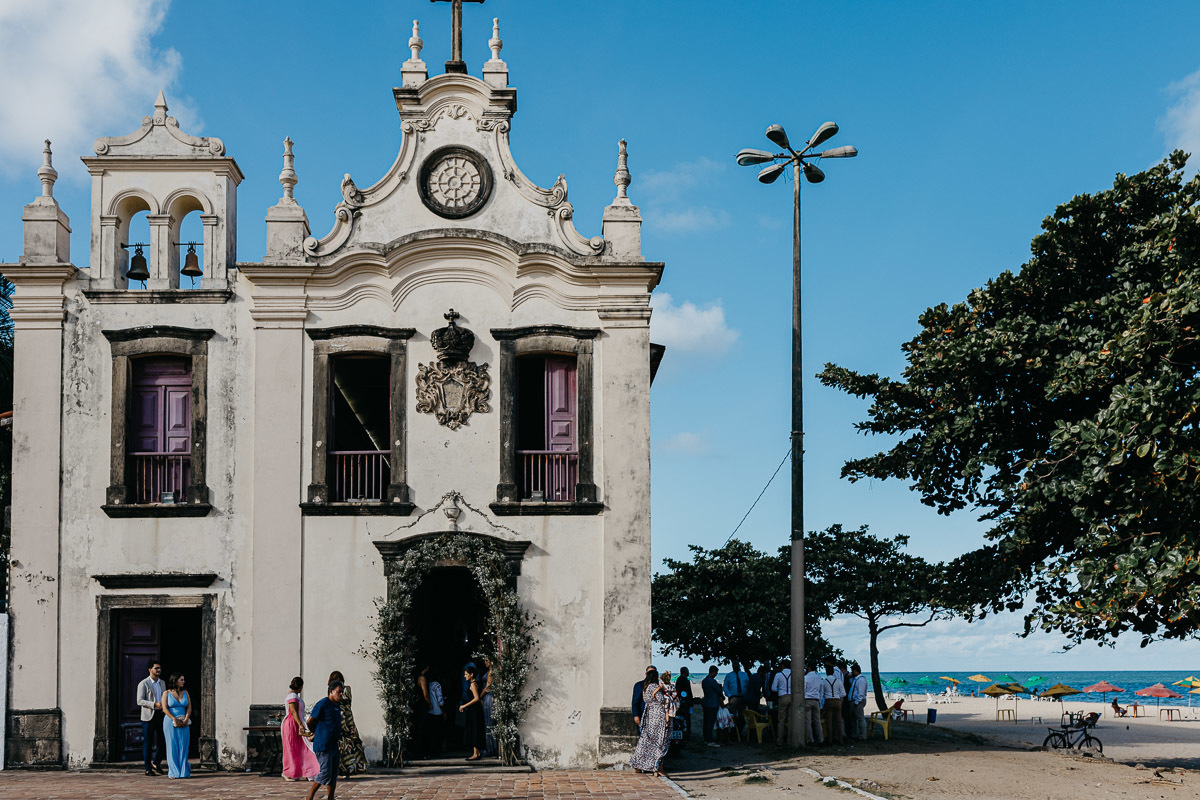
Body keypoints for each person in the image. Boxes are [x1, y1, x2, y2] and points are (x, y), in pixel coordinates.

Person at [306, 681, 344, 800]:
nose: (341, 694)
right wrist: (315, 732)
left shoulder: (337, 706)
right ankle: (310, 796)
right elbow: (310, 721)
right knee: (325, 772)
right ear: (331, 691)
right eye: (339, 691)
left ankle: (330, 797)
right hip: (323, 744)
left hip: (333, 745)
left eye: (342, 692)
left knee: (333, 774)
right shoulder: (323, 704)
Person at [629, 668, 671, 776]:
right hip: (658, 717)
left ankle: (640, 764)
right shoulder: (653, 687)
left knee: (646, 742)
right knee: (660, 742)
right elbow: (661, 700)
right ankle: (656, 766)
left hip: (649, 716)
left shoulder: (645, 687)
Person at [327, 671, 366, 777]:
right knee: (344, 745)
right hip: (344, 718)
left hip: (343, 718)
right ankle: (344, 769)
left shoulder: (340, 690)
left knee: (349, 744)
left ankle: (348, 769)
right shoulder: (342, 689)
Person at [283, 676, 319, 780]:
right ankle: (290, 772)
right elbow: (293, 711)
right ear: (301, 686)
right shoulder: (292, 696)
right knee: (294, 748)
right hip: (293, 724)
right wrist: (300, 725)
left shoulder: (293, 696)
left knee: (301, 748)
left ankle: (304, 771)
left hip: (296, 723)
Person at [136, 659, 167, 776]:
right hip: (148, 716)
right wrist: (154, 704)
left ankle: (156, 762)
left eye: (159, 668)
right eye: (156, 668)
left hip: (160, 715)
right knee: (148, 743)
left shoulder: (162, 683)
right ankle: (148, 768)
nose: (159, 670)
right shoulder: (143, 683)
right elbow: (139, 701)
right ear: (150, 670)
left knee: (163, 740)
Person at [160, 672, 191, 778]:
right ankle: (173, 772)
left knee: (184, 745)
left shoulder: (185, 692)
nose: (183, 681)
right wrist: (174, 719)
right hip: (170, 721)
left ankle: (183, 771)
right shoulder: (166, 693)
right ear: (175, 680)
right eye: (181, 680)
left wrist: (186, 718)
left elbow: (189, 707)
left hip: (184, 721)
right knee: (172, 745)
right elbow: (164, 708)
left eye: (183, 679)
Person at [417, 665, 445, 757]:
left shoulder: (423, 681)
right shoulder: (435, 684)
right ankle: (434, 751)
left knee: (428, 732)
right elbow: (439, 700)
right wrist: (431, 704)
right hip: (436, 711)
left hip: (426, 710)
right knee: (436, 732)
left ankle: (426, 751)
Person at [459, 664, 486, 760]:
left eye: (466, 674)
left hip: (475, 710)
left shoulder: (473, 684)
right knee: (475, 729)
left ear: (471, 674)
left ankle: (476, 754)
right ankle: (477, 753)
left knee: (475, 730)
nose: (464, 676)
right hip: (474, 709)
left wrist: (464, 705)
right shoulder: (474, 683)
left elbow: (476, 698)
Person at [722, 662, 749, 738]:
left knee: (741, 716)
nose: (735, 667)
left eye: (736, 666)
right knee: (732, 716)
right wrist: (730, 696)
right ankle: (733, 734)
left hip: (742, 698)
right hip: (733, 698)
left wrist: (746, 696)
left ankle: (739, 733)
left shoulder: (744, 675)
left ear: (739, 666)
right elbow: (725, 687)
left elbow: (748, 685)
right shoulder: (729, 675)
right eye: (734, 666)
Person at [822, 659, 846, 745]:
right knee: (838, 720)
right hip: (837, 701)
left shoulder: (824, 682)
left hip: (828, 701)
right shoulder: (838, 681)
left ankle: (830, 739)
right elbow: (843, 693)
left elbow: (821, 694)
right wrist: (837, 697)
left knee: (829, 721)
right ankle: (840, 739)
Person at [700, 665, 724, 747]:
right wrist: (722, 695)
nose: (716, 674)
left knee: (706, 722)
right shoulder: (712, 681)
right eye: (716, 673)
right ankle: (710, 740)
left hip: (706, 702)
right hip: (712, 703)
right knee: (710, 722)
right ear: (713, 672)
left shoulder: (704, 681)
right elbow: (718, 691)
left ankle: (706, 738)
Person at [772, 660, 793, 746]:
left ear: (782, 666)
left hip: (782, 696)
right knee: (790, 719)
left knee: (781, 720)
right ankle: (790, 740)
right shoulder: (793, 674)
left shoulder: (779, 675)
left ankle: (780, 740)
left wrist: (780, 690)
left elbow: (773, 688)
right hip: (792, 697)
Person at [803, 662, 823, 745]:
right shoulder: (819, 678)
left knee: (807, 721)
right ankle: (820, 739)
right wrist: (820, 701)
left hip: (807, 699)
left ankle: (811, 740)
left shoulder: (805, 677)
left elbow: (803, 690)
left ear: (808, 668)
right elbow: (821, 691)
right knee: (817, 721)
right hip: (816, 700)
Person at [481, 657, 497, 757]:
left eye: (487, 660)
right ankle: (490, 748)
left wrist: (479, 696)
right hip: (487, 696)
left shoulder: (491, 672)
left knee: (489, 723)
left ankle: (491, 750)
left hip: (488, 697)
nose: (485, 662)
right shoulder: (490, 671)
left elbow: (488, 686)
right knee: (488, 722)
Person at [848, 664, 868, 740]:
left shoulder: (861, 680)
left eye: (852, 671)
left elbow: (861, 692)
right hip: (854, 700)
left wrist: (857, 702)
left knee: (860, 718)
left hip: (858, 701)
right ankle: (855, 734)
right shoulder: (856, 679)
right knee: (853, 719)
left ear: (856, 671)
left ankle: (863, 735)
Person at [632, 664, 656, 729]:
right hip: (643, 715)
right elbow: (635, 701)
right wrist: (636, 715)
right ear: (646, 674)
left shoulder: (657, 686)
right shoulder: (639, 685)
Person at [674, 668, 694, 740]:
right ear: (685, 672)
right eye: (688, 671)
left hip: (684, 701)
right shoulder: (684, 680)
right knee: (686, 718)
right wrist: (689, 701)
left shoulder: (680, 679)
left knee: (685, 718)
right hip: (685, 702)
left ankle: (686, 732)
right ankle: (686, 733)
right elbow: (687, 692)